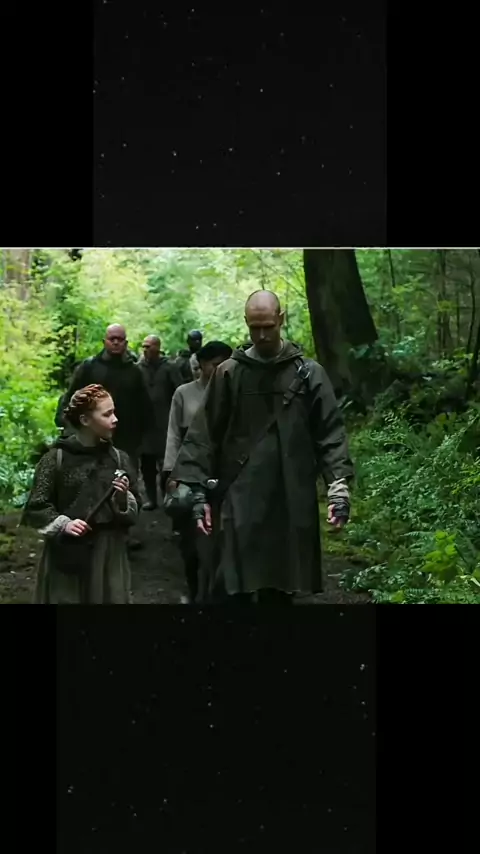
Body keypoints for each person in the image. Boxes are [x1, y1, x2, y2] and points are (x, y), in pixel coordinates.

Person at [170, 290, 354, 605]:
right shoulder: (230, 372)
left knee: (280, 583)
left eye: (268, 326)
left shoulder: (309, 373)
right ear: (246, 323)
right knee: (233, 582)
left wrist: (338, 487)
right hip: (238, 494)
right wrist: (198, 494)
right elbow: (204, 433)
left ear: (281, 319)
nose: (262, 335)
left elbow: (330, 433)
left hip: (290, 494)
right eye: (255, 328)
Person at [21, 384, 140, 604]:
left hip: (108, 554)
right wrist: (64, 524)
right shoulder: (55, 459)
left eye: (114, 412)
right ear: (85, 420)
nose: (115, 419)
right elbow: (37, 506)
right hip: (68, 553)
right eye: (107, 414)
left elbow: (134, 508)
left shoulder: (119, 459)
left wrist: (122, 498)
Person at [162, 340, 233, 603]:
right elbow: (173, 433)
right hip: (189, 469)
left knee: (222, 537)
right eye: (215, 364)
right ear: (201, 364)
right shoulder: (184, 393)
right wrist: (171, 471)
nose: (221, 369)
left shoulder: (235, 391)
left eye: (226, 364)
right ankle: (195, 590)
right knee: (191, 539)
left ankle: (217, 594)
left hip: (225, 471)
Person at [55, 324, 152, 472]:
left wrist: (143, 440)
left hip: (126, 439)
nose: (116, 342)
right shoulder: (89, 367)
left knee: (124, 479)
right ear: (104, 341)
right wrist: (67, 425)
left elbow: (145, 407)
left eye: (119, 339)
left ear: (126, 343)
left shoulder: (134, 372)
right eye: (112, 339)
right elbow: (71, 397)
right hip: (92, 436)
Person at [137, 335, 183, 510]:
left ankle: (167, 497)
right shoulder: (138, 369)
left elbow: (179, 392)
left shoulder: (170, 368)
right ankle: (151, 498)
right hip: (145, 426)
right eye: (144, 346)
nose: (145, 350)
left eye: (149, 346)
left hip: (165, 425)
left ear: (157, 347)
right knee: (147, 466)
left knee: (167, 466)